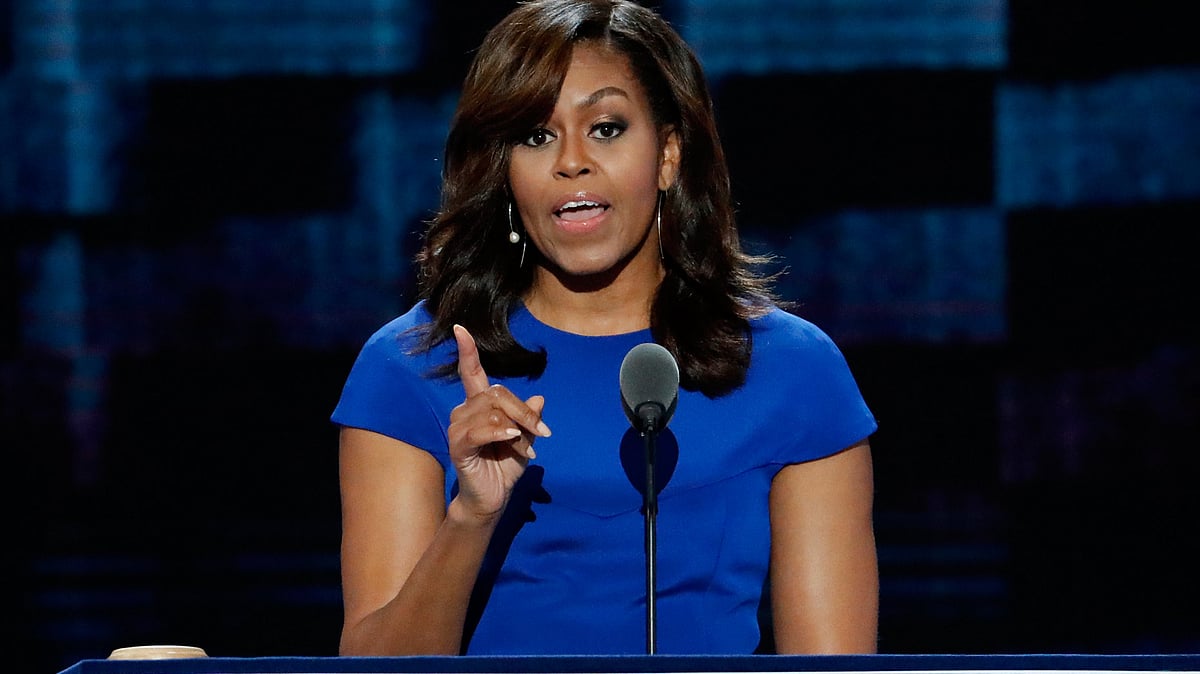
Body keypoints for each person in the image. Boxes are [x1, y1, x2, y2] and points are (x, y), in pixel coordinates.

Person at [331, 0, 878, 656]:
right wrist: (471, 515)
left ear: (669, 154)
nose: (572, 161)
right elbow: (373, 671)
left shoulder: (794, 371)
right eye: (536, 136)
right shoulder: (411, 366)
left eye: (607, 127)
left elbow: (833, 672)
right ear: (504, 172)